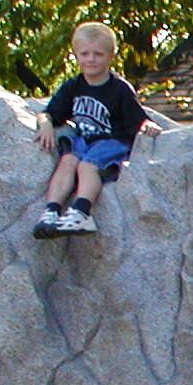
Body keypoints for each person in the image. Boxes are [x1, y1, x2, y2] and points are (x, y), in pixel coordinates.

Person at [33, 22, 161, 236]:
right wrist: (45, 124)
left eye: (98, 54)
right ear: (76, 55)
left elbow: (137, 119)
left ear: (110, 56)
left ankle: (82, 212)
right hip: (85, 139)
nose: (91, 59)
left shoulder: (119, 89)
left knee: (87, 165)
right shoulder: (73, 86)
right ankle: (52, 211)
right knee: (68, 161)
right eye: (85, 54)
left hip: (113, 141)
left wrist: (147, 126)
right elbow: (49, 113)